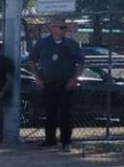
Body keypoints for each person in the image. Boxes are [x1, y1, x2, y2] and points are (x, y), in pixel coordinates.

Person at [28, 17, 84, 152]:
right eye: (61, 27)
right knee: (50, 114)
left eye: (65, 27)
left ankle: (66, 142)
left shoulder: (71, 44)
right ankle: (50, 140)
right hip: (48, 84)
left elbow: (80, 62)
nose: (64, 30)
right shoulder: (42, 43)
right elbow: (32, 61)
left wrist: (74, 79)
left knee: (65, 115)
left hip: (66, 84)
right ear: (52, 28)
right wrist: (38, 78)